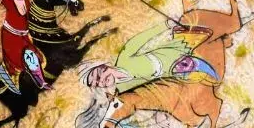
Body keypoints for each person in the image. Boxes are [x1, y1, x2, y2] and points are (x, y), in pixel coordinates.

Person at [80, 20, 219, 94]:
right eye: (96, 83)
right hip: (169, 74)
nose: (101, 81)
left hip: (171, 55)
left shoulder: (124, 57)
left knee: (202, 56)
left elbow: (141, 39)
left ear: (105, 66)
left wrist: (165, 25)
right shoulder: (122, 89)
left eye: (99, 75)